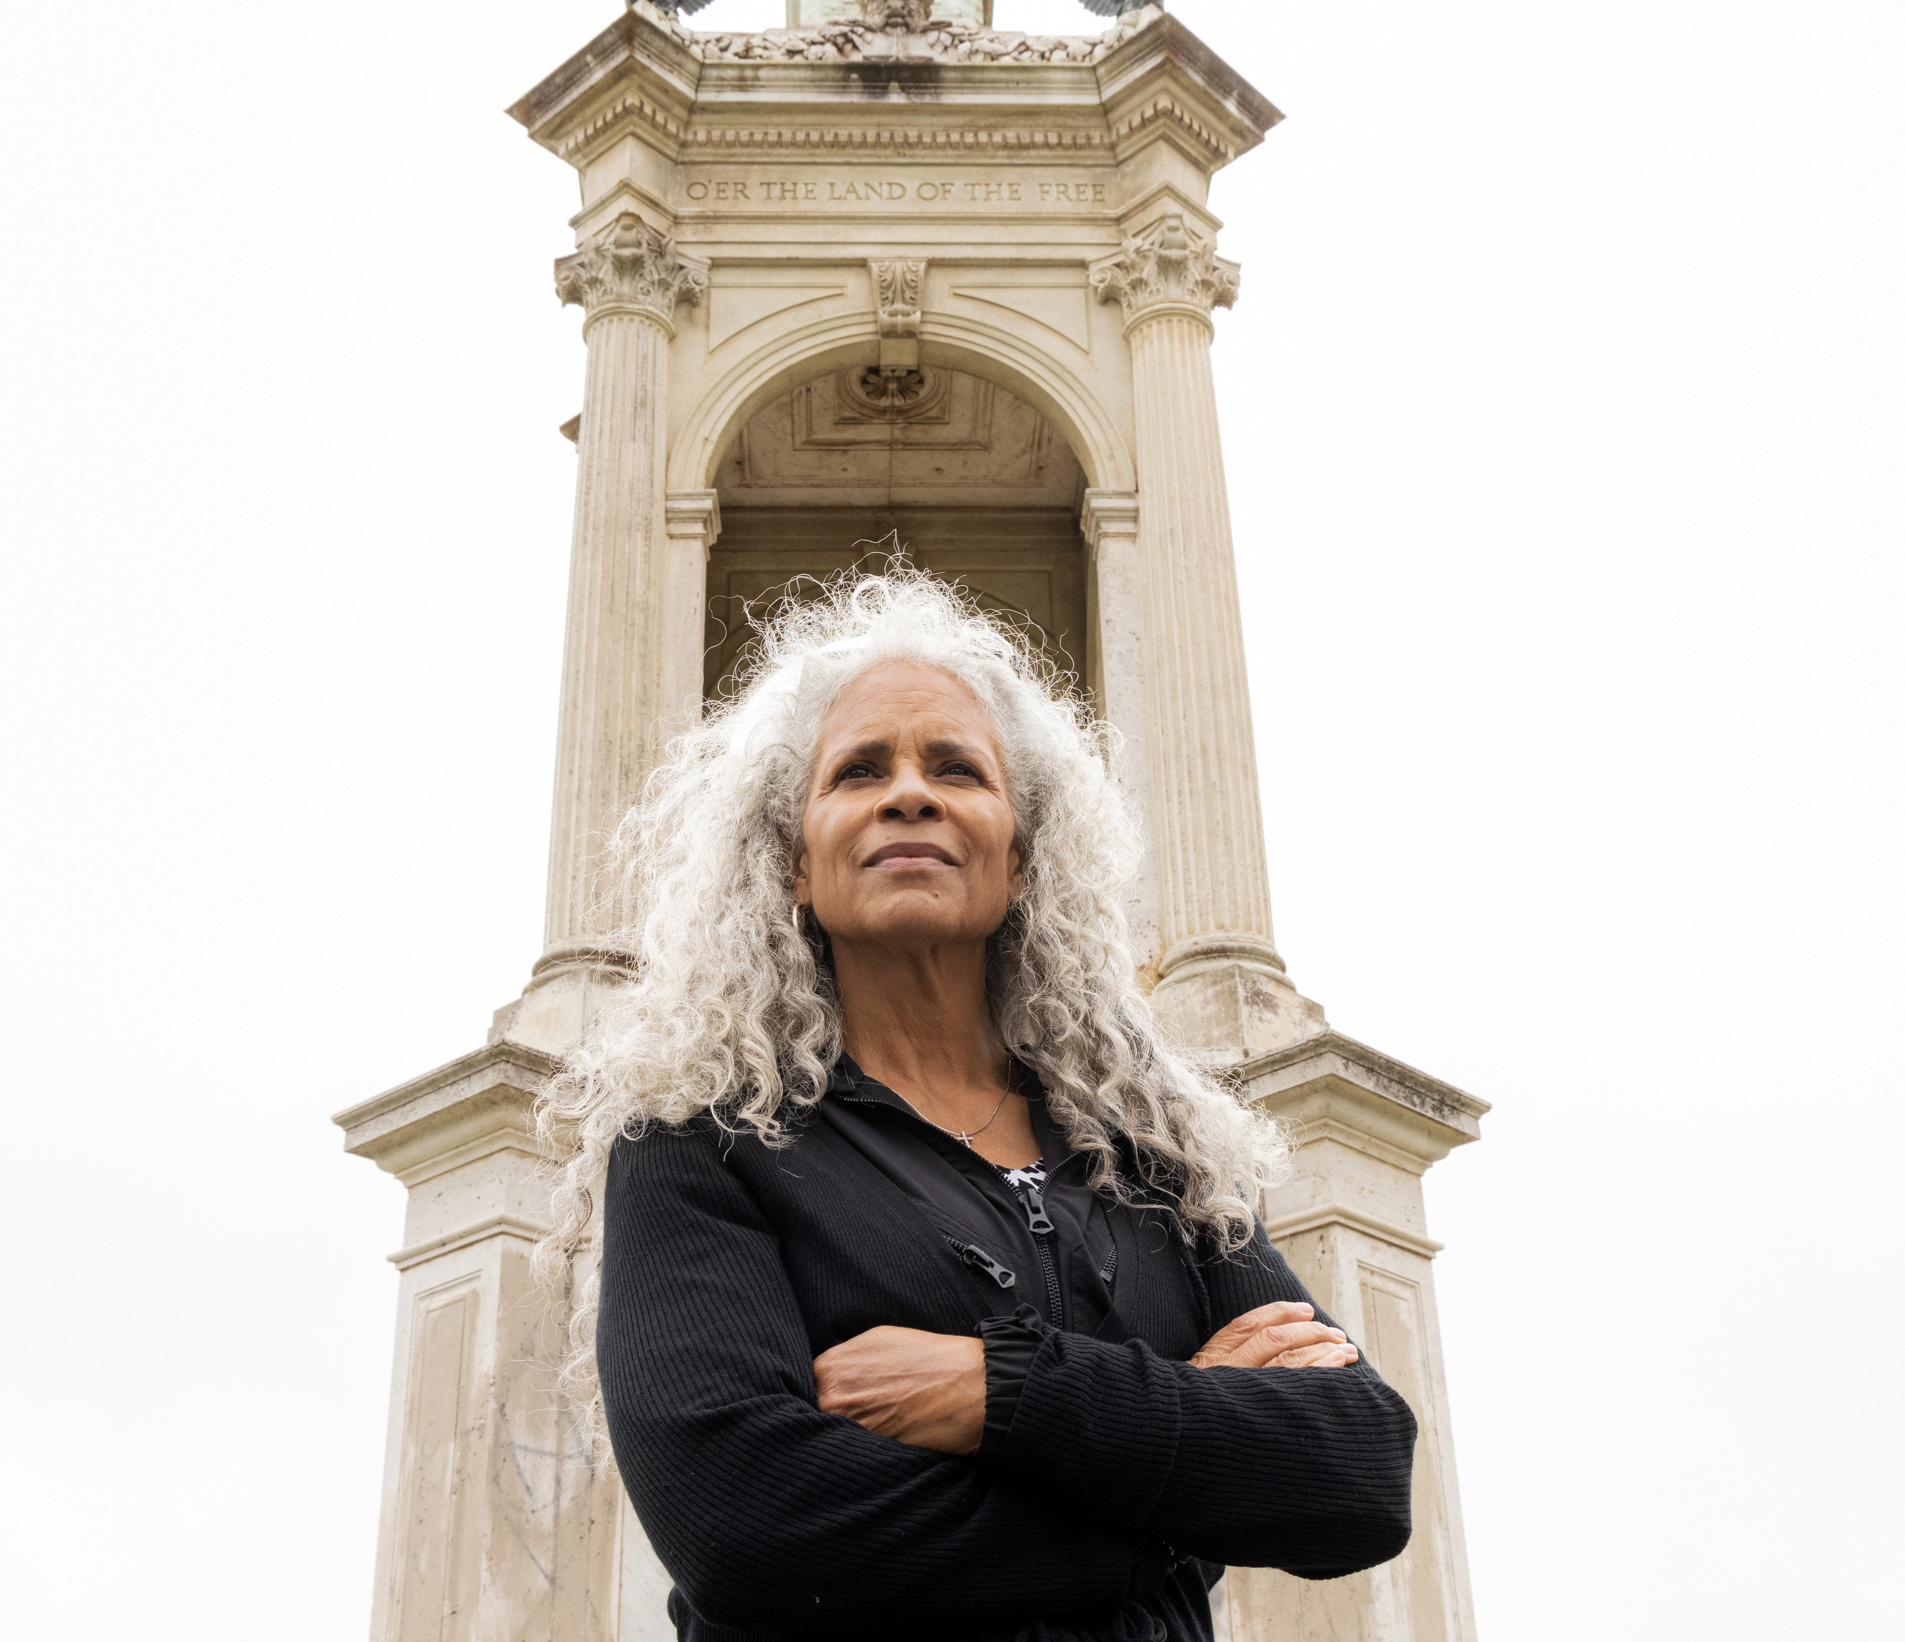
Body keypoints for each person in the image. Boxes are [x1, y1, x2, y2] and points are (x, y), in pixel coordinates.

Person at [537, 570, 1416, 1642]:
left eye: (956, 768)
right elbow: (752, 1528)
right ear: (793, 867)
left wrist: (1001, 1392)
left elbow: (1357, 1468)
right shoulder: (696, 1143)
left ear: (1020, 859)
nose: (910, 793)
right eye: (859, 771)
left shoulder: (1151, 1150)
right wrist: (1178, 1494)